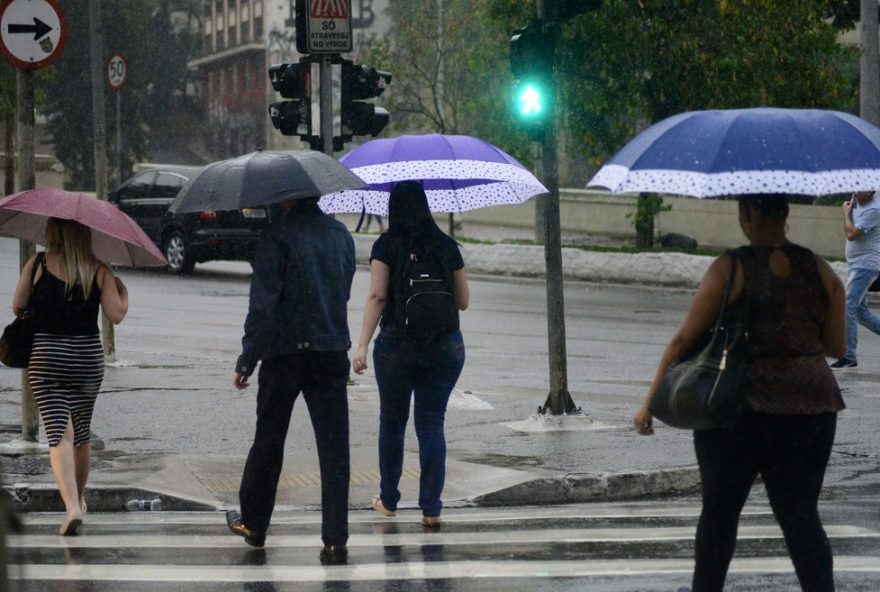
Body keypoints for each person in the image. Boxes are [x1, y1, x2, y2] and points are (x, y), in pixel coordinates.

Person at [634, 195, 845, 592]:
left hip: (738, 411)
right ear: (785, 214)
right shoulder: (820, 270)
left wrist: (649, 404)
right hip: (811, 406)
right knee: (801, 515)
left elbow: (682, 341)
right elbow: (835, 345)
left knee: (720, 513)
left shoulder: (731, 268)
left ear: (746, 215)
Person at [225, 195, 355, 566]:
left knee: (269, 440)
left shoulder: (275, 236)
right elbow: (342, 291)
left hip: (284, 355)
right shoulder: (340, 235)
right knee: (334, 451)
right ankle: (335, 541)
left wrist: (247, 360)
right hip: (330, 352)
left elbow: (262, 306)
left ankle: (254, 522)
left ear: (284, 198)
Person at [352, 181, 469, 527]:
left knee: (393, 421)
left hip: (397, 347)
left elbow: (377, 297)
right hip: (445, 346)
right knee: (431, 422)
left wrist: (361, 345)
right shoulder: (447, 246)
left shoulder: (386, 245)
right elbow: (463, 301)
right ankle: (431, 508)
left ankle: (388, 500)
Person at [12, 218, 128, 536]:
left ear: (52, 233)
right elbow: (115, 314)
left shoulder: (36, 263)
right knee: (81, 435)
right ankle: (80, 498)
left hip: (48, 357)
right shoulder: (99, 269)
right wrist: (124, 293)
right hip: (88, 359)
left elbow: (18, 305)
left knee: (58, 436)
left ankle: (72, 506)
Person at [830, 190, 880, 369]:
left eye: (862, 189)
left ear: (872, 190)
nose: (857, 192)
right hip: (855, 264)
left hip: (866, 266)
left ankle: (849, 356)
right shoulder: (856, 198)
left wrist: (845, 213)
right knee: (859, 311)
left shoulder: (874, 209)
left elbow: (851, 234)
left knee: (846, 306)